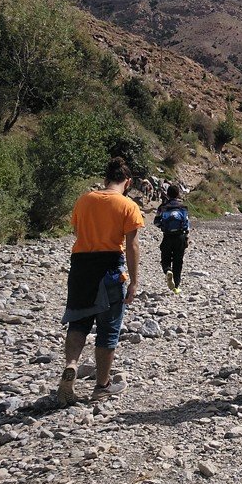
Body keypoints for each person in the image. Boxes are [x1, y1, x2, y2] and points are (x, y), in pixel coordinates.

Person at [56, 157, 142, 406]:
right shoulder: (128, 205)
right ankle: (102, 386)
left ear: (105, 179)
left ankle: (71, 365)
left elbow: (77, 232)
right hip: (109, 270)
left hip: (81, 267)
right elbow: (132, 246)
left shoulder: (84, 200)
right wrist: (134, 281)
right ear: (128, 181)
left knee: (78, 321)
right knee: (108, 329)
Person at [153, 184, 190, 294]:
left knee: (165, 258)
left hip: (168, 236)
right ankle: (176, 287)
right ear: (178, 194)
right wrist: (187, 237)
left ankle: (167, 270)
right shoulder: (182, 207)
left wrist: (163, 227)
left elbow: (156, 222)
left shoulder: (163, 207)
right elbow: (187, 224)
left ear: (167, 194)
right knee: (178, 261)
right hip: (180, 237)